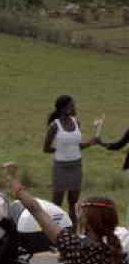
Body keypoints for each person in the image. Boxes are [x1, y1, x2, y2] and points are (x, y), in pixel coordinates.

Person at [43, 95, 95, 223]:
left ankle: (73, 232)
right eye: (71, 106)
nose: (74, 108)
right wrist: (59, 150)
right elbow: (46, 148)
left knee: (74, 203)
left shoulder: (76, 123)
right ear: (63, 109)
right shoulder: (54, 126)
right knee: (56, 204)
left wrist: (91, 143)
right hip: (60, 167)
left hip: (76, 166)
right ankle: (53, 232)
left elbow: (77, 146)